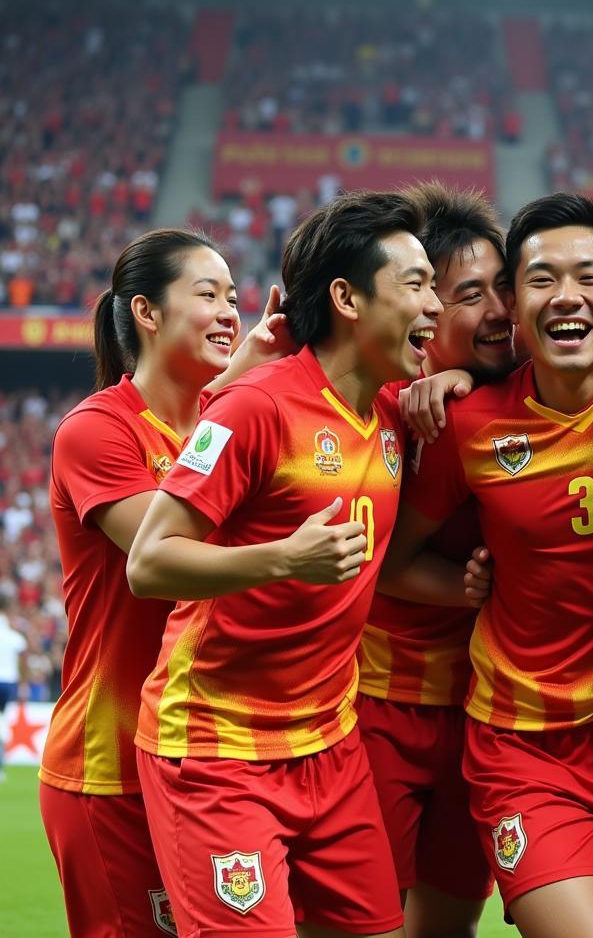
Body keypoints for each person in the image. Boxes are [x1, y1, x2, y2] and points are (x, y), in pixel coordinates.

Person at [383, 193, 593, 938]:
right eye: (542, 279)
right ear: (514, 302)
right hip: (521, 745)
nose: (567, 296)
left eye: (588, 277)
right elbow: (391, 561)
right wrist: (463, 589)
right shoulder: (466, 423)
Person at [126, 191, 446, 938]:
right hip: (214, 749)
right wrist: (283, 559)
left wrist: (451, 381)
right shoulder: (256, 407)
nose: (433, 304)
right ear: (347, 298)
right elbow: (150, 560)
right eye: (416, 284)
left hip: (330, 747)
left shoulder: (393, 409)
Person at [40, 227, 288, 938]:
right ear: (146, 312)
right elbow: (174, 547)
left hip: (207, 759)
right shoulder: (96, 431)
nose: (228, 311)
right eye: (206, 294)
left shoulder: (223, 426)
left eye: (234, 297)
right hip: (108, 766)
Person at [357, 182, 513, 938]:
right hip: (379, 703)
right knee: (365, 919)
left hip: (484, 712)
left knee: (449, 920)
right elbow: (377, 562)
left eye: (502, 289)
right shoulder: (387, 404)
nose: (498, 313)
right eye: (467, 295)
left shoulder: (537, 387)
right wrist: (473, 592)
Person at [0, 595, 27, 782]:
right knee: (2, 720)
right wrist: (24, 683)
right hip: (9, 681)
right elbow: (21, 649)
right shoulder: (12, 632)